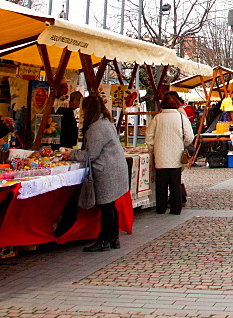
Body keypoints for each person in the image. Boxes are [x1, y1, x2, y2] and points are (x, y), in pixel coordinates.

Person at [63, 95, 130, 252]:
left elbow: (91, 154)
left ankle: (104, 240)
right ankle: (113, 238)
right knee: (110, 205)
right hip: (114, 168)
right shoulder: (105, 122)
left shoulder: (96, 127)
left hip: (106, 170)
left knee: (106, 206)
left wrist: (71, 153)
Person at [145, 91, 195, 215]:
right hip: (176, 156)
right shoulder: (181, 117)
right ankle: (176, 208)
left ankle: (161, 208)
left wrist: (154, 148)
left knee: (161, 184)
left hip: (160, 156)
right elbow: (190, 136)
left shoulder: (157, 118)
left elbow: (149, 136)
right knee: (175, 184)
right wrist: (182, 144)